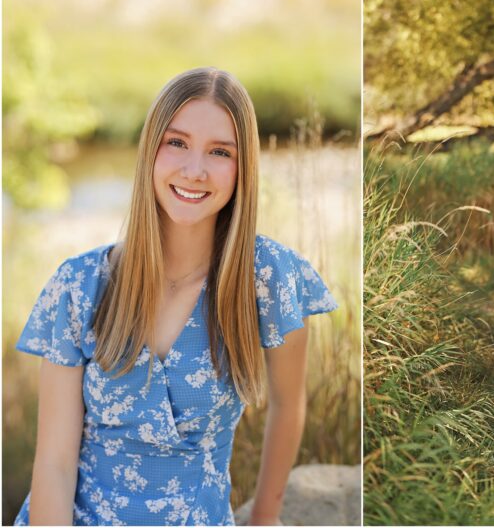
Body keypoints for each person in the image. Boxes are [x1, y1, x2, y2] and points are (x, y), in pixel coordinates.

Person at [14, 68, 337, 526]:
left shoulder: (267, 276)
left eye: (220, 152)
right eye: (177, 143)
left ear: (243, 167)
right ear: (151, 151)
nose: (195, 170)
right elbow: (54, 462)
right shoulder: (78, 286)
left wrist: (265, 517)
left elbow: (288, 403)